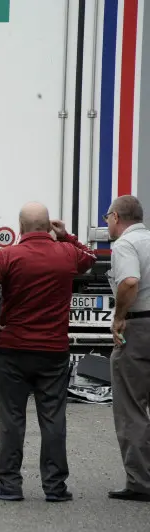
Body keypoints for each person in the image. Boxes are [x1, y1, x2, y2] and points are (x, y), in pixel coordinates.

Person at [0, 202, 95, 503]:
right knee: (54, 418)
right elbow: (91, 259)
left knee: (12, 418)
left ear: (20, 228)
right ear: (48, 227)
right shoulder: (67, 254)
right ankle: (55, 487)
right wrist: (67, 236)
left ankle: (10, 485)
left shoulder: (7, 256)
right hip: (53, 352)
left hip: (13, 349)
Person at [104, 195, 150, 502]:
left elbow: (130, 281)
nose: (106, 223)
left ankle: (141, 482)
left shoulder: (124, 245)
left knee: (132, 406)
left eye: (107, 218)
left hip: (139, 328)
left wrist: (119, 317)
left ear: (117, 217)